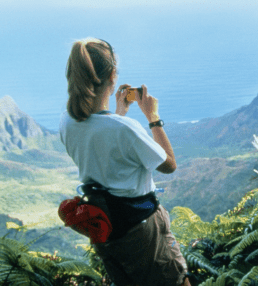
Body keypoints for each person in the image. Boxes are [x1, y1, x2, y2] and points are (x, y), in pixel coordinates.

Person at [59, 37, 190, 286]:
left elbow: (104, 152)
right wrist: (153, 117)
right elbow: (170, 164)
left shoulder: (67, 121)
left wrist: (119, 114)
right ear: (112, 76)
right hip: (141, 229)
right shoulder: (124, 129)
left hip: (105, 229)